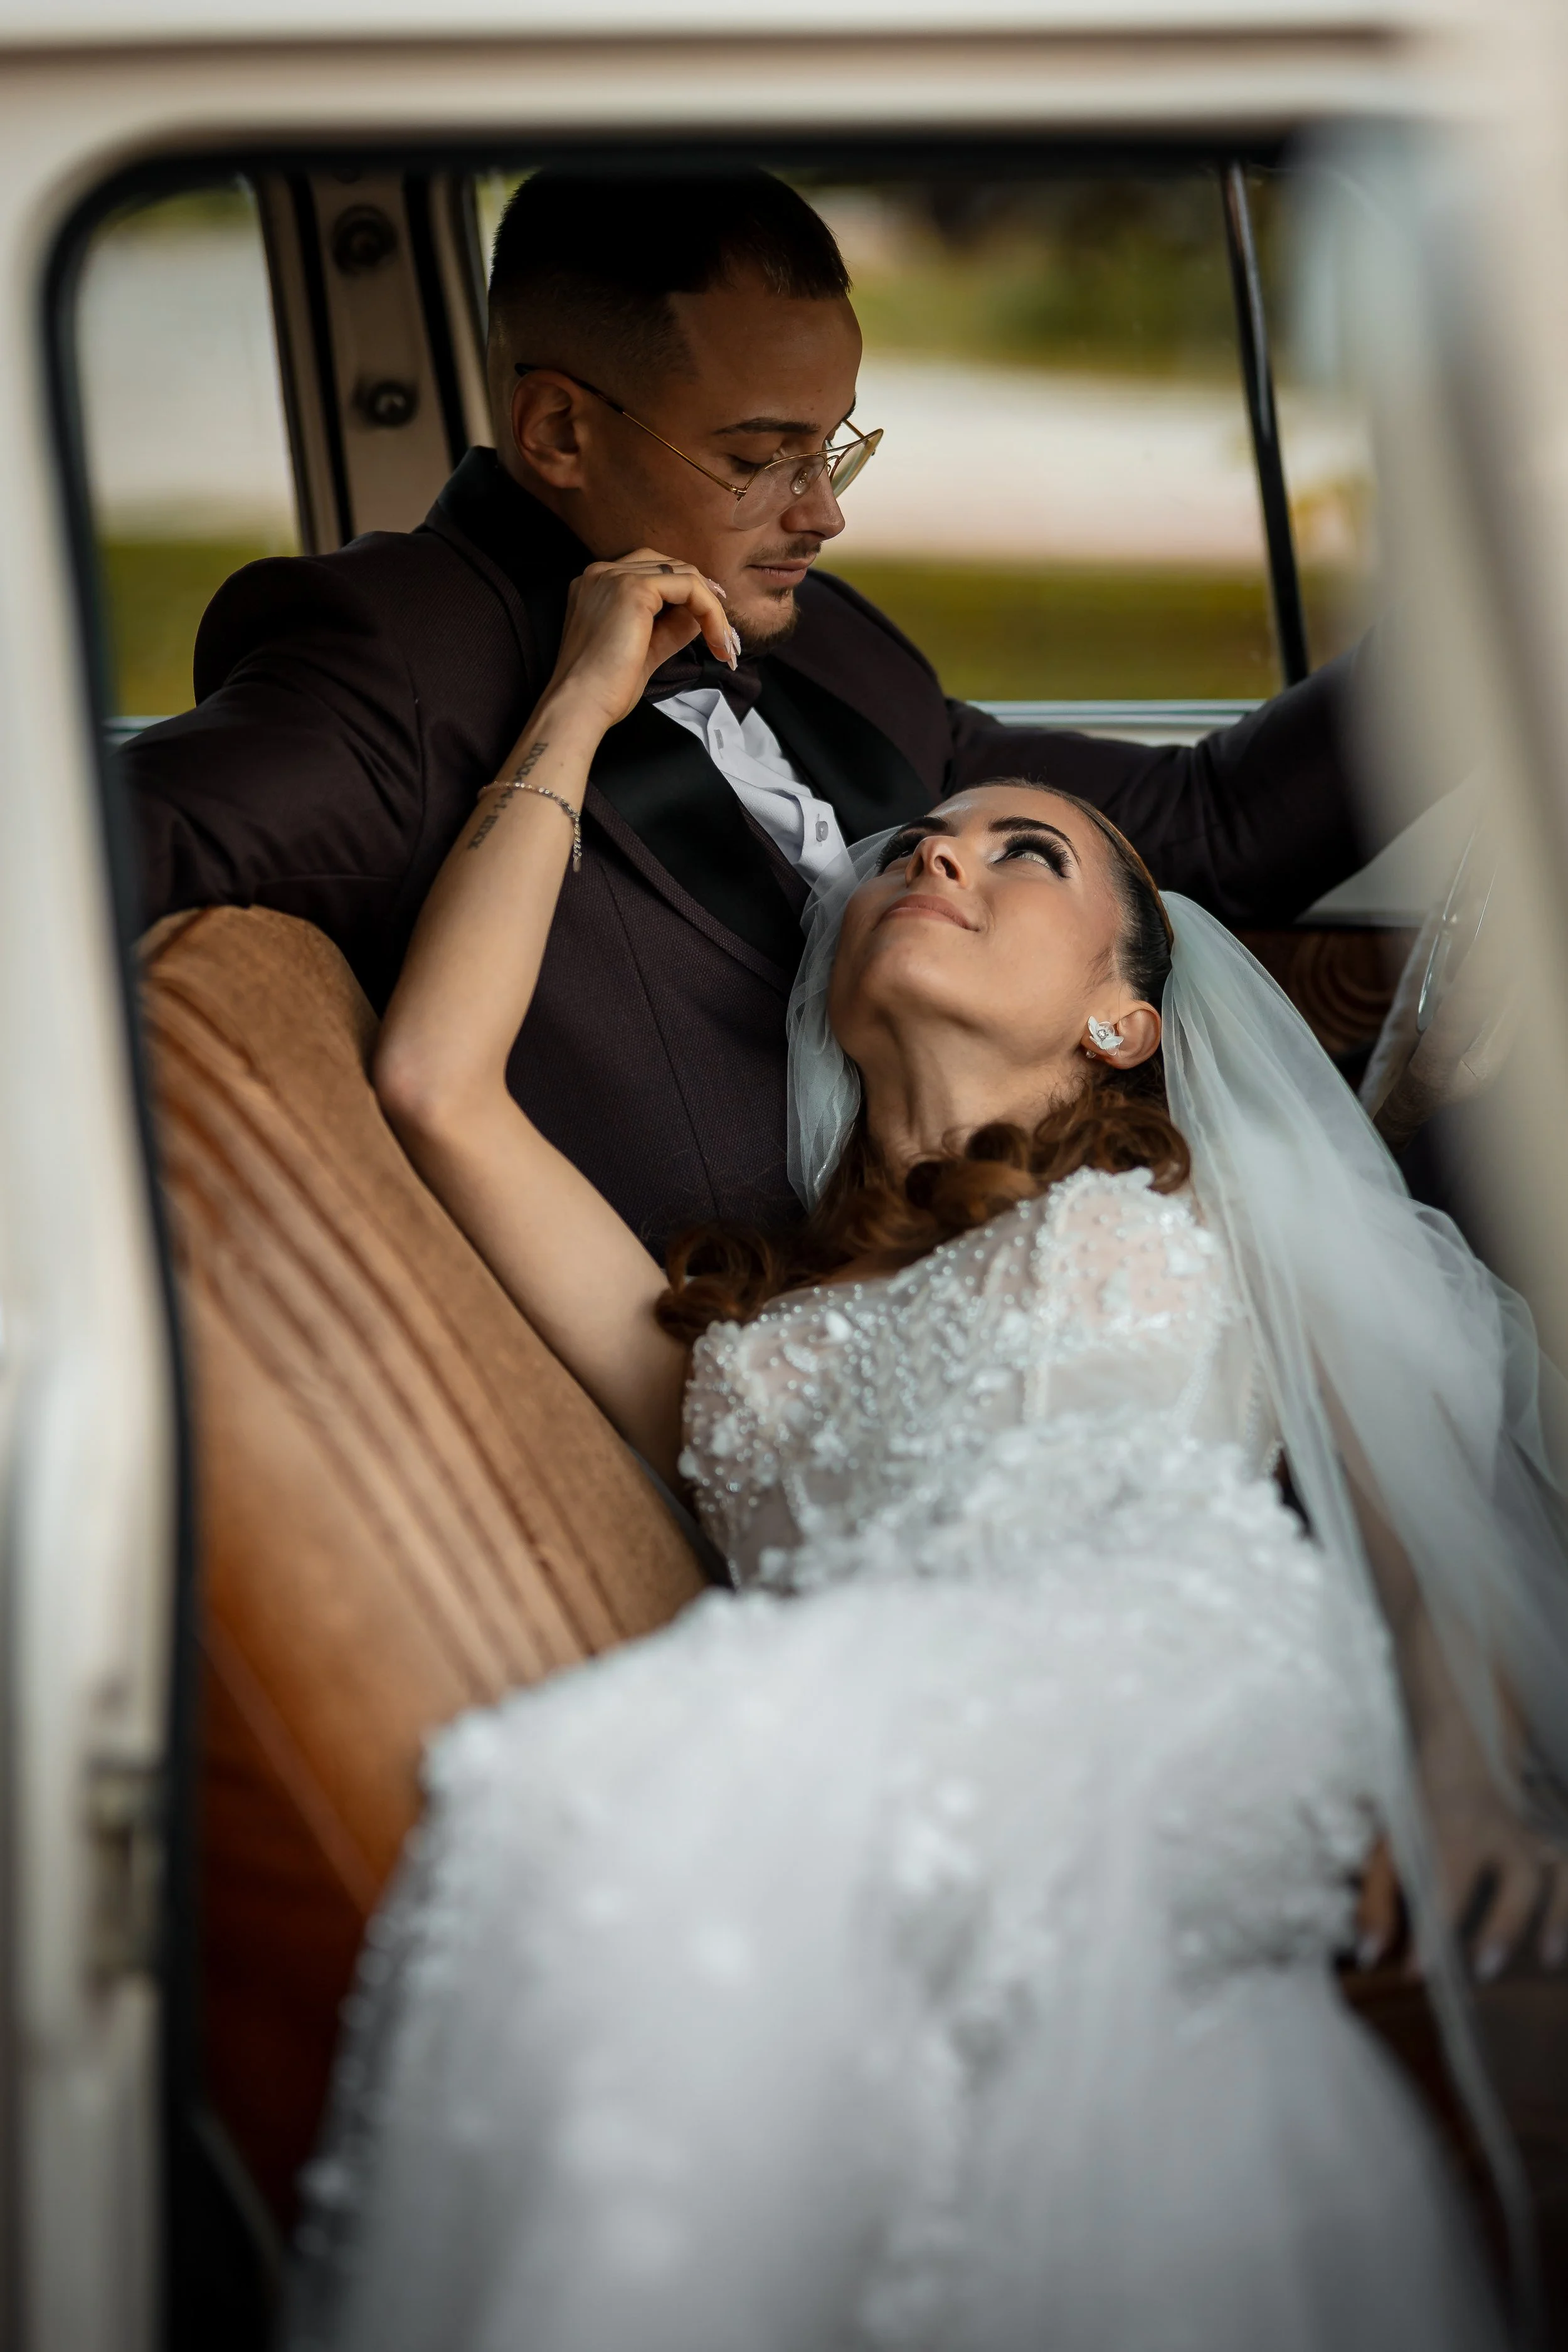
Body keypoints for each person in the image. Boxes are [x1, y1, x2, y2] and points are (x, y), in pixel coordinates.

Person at [282, 550, 1568, 2351]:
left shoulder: (1191, 1197)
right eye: (911, 843)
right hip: (875, 1723)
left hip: (1160, 1660)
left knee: (615, 1795)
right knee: (640, 1827)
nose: (938, 852)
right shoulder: (727, 1344)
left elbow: (1391, 1485)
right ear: (829, 983)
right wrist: (579, 695)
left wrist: (1456, 1770)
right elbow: (435, 1082)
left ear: (1125, 1015)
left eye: (1020, 852)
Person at [125, 167, 1377, 1253]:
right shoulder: (392, 664)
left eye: (831, 446)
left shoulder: (829, 645)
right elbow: (80, 859)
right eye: (756, 457)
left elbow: (1208, 823)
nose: (822, 513)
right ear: (559, 430)